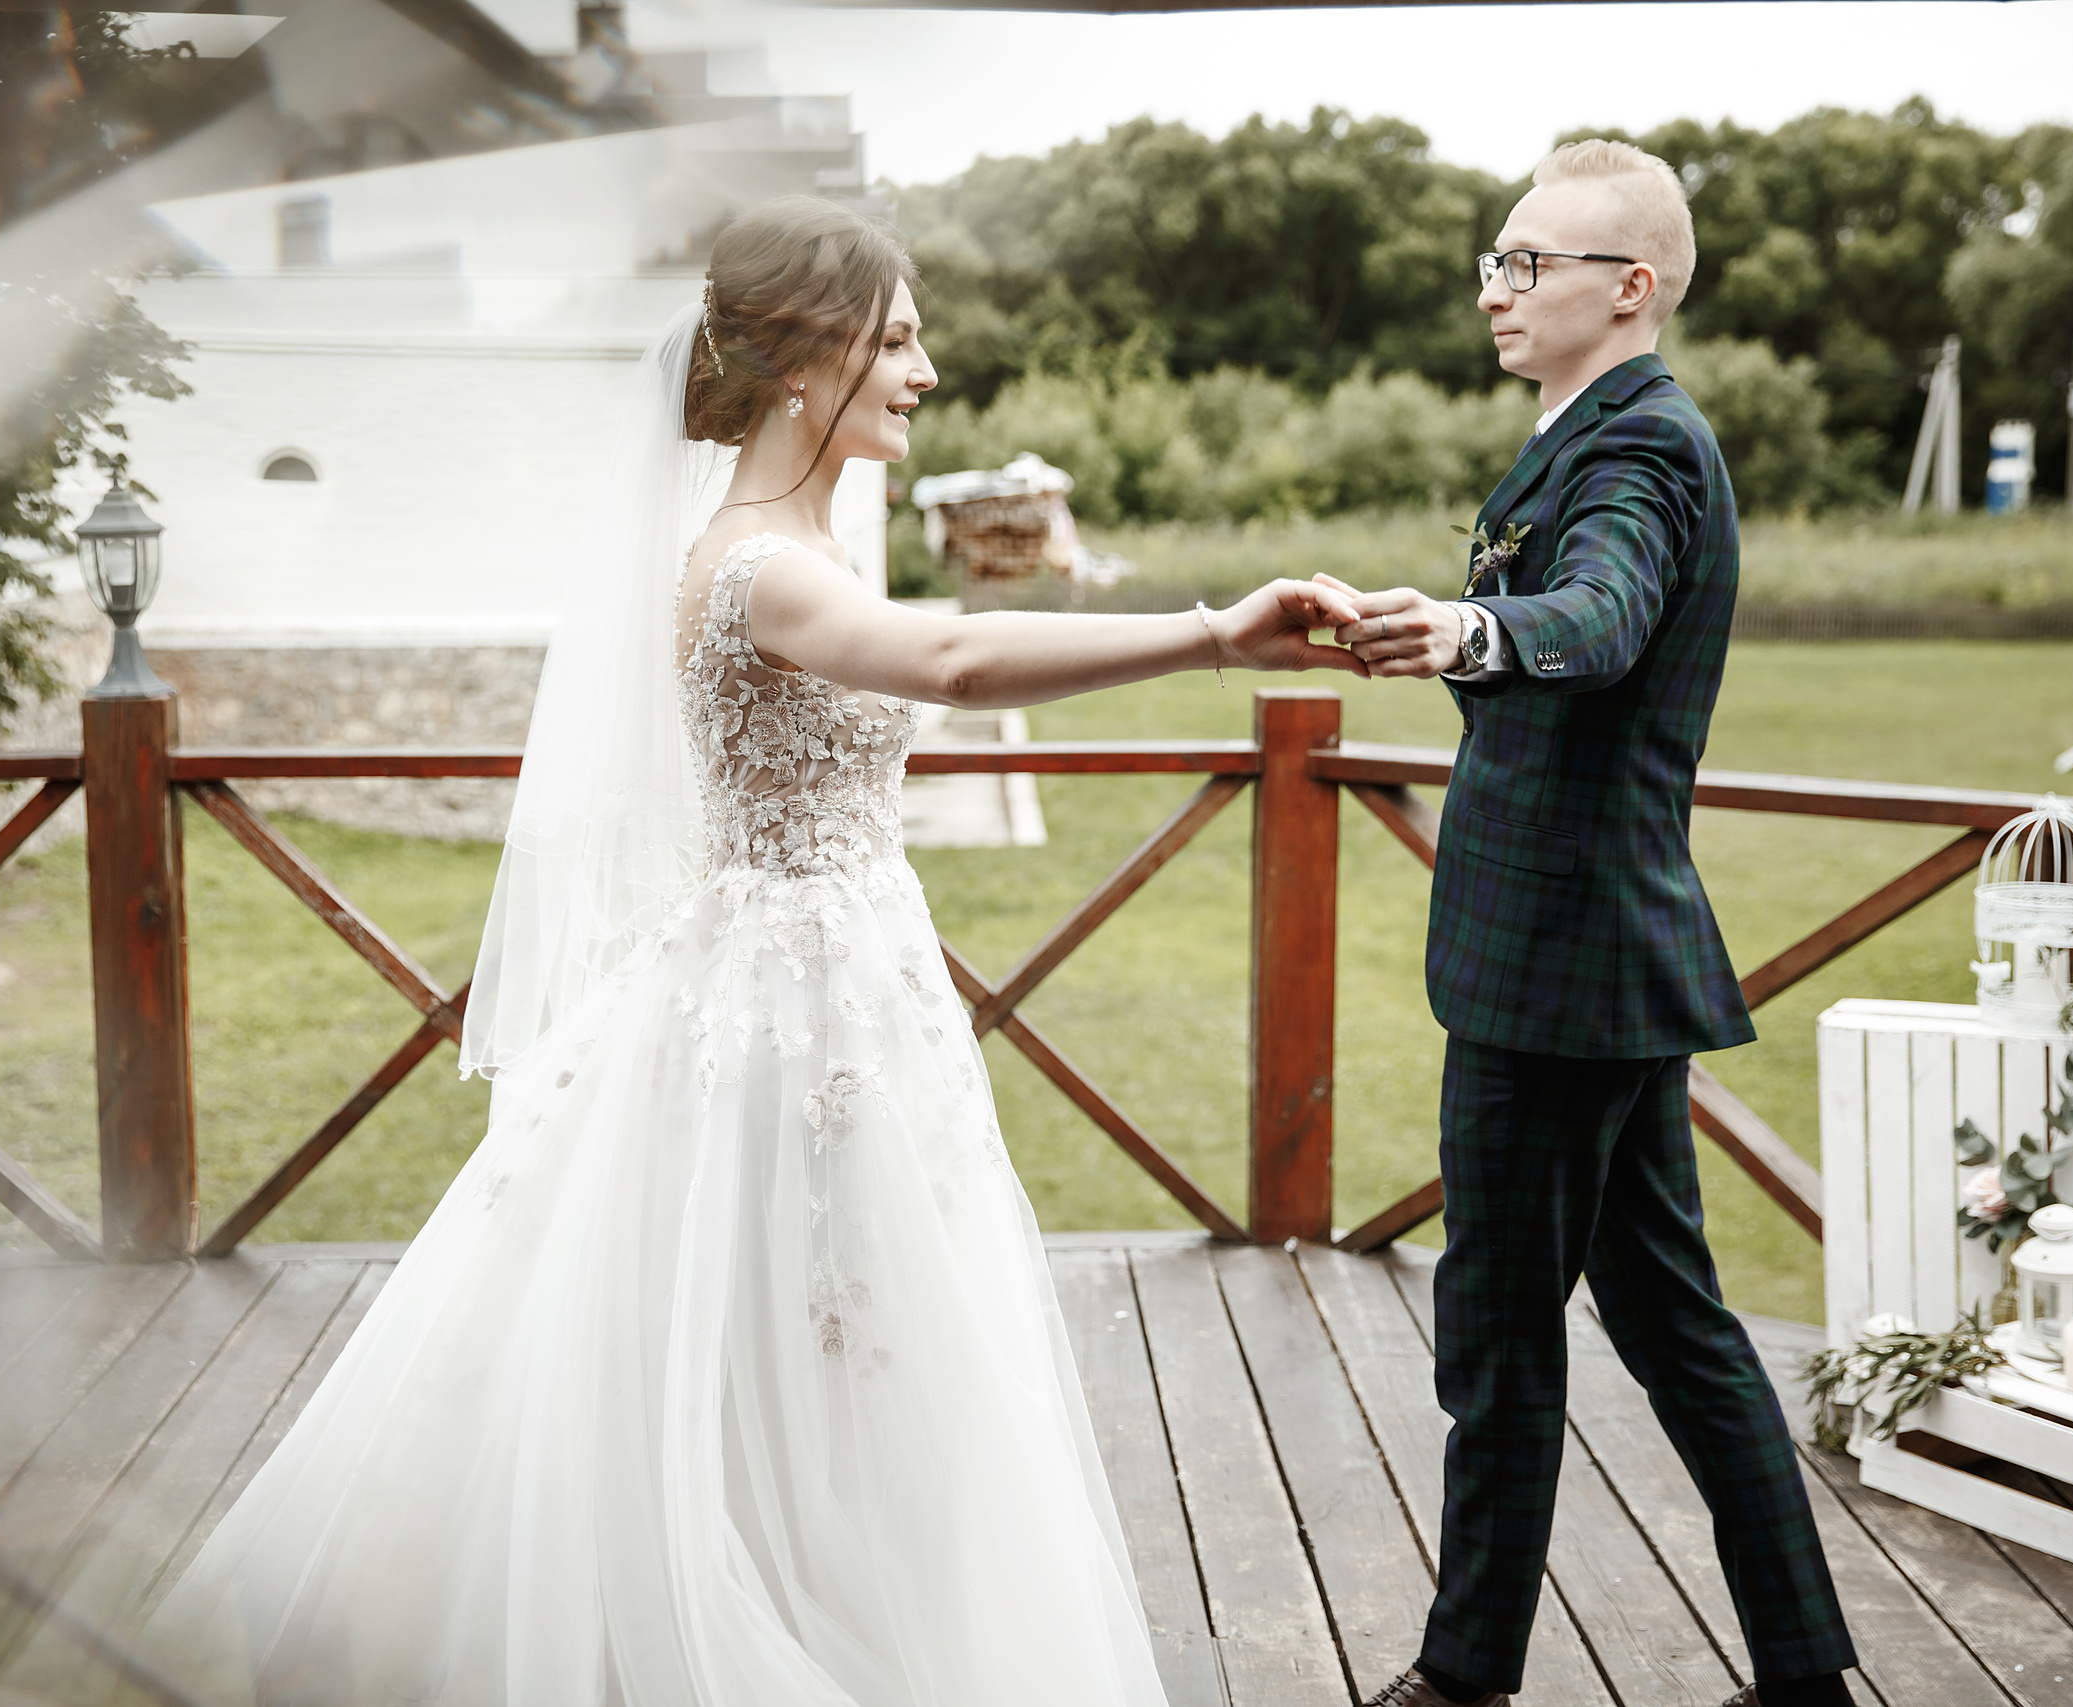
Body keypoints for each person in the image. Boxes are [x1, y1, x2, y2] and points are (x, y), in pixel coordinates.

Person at [139, 195, 1366, 1707]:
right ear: (805, 360)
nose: (926, 369)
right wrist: (1216, 637)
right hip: (787, 1001)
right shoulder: (754, 566)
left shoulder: (805, 543)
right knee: (798, 1309)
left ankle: (824, 1581)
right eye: (899, 338)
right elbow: (959, 663)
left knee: (843, 1328)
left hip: (848, 974)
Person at [1322, 142, 1861, 1707]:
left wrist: (1475, 626)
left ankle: (1463, 1677)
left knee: (1497, 1335)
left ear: (1629, 288)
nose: (1496, 288)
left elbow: (1603, 614)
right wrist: (1451, 630)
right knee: (1675, 1321)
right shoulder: (1588, 432)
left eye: (1528, 263)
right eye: (1494, 260)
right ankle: (1808, 1676)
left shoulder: (1641, 451)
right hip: (1592, 961)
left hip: (1557, 975)